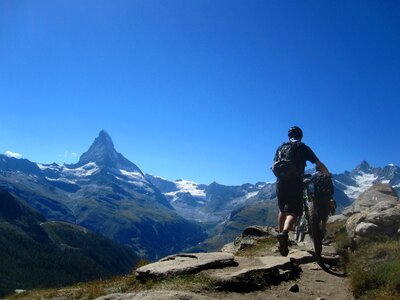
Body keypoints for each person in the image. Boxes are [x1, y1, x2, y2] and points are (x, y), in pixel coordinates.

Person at [273, 126, 330, 256]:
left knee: (282, 210)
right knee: (293, 211)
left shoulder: (281, 148)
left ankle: (280, 237)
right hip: (295, 182)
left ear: (289, 136)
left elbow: (273, 165)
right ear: (300, 136)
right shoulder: (302, 147)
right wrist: (327, 174)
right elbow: (318, 163)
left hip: (280, 182)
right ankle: (285, 233)